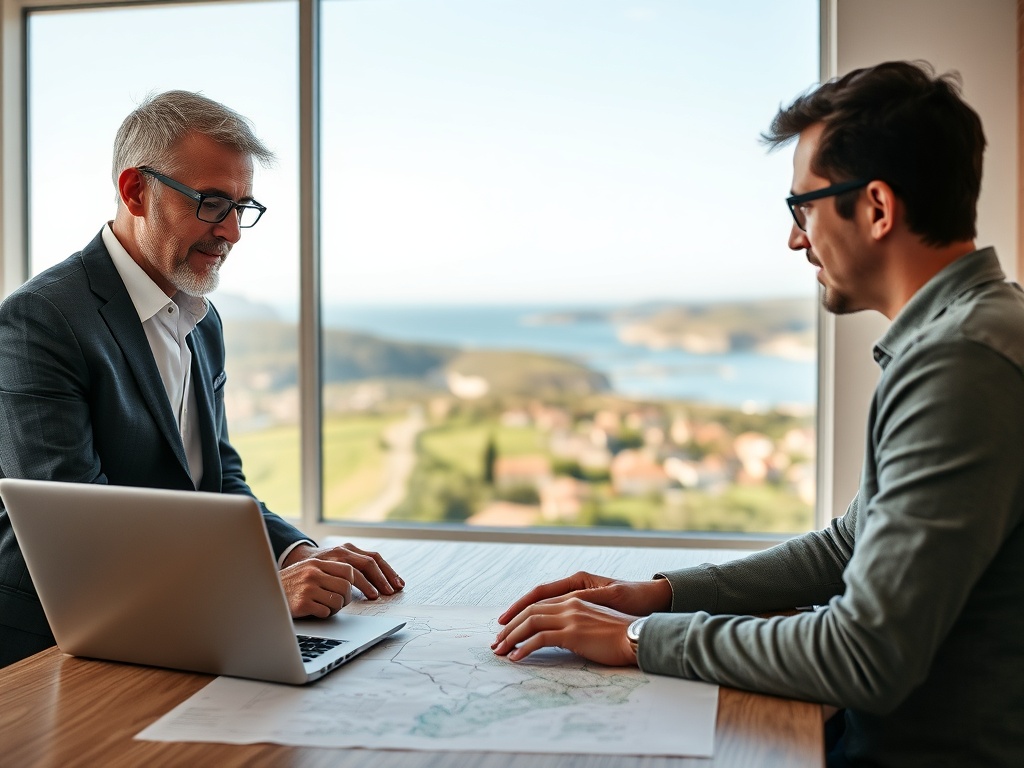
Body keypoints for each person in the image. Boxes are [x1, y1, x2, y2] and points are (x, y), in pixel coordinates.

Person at [492, 60, 1024, 767]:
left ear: (875, 208)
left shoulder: (961, 362)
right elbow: (848, 546)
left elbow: (863, 654)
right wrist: (657, 597)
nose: (796, 239)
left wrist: (633, 641)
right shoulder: (967, 333)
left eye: (802, 207)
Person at [0, 91, 404, 668]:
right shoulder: (40, 319)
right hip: (55, 648)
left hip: (178, 631)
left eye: (243, 206)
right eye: (213, 203)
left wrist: (296, 553)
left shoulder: (201, 319)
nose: (232, 232)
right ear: (136, 191)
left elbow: (212, 474)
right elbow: (78, 528)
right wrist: (258, 592)